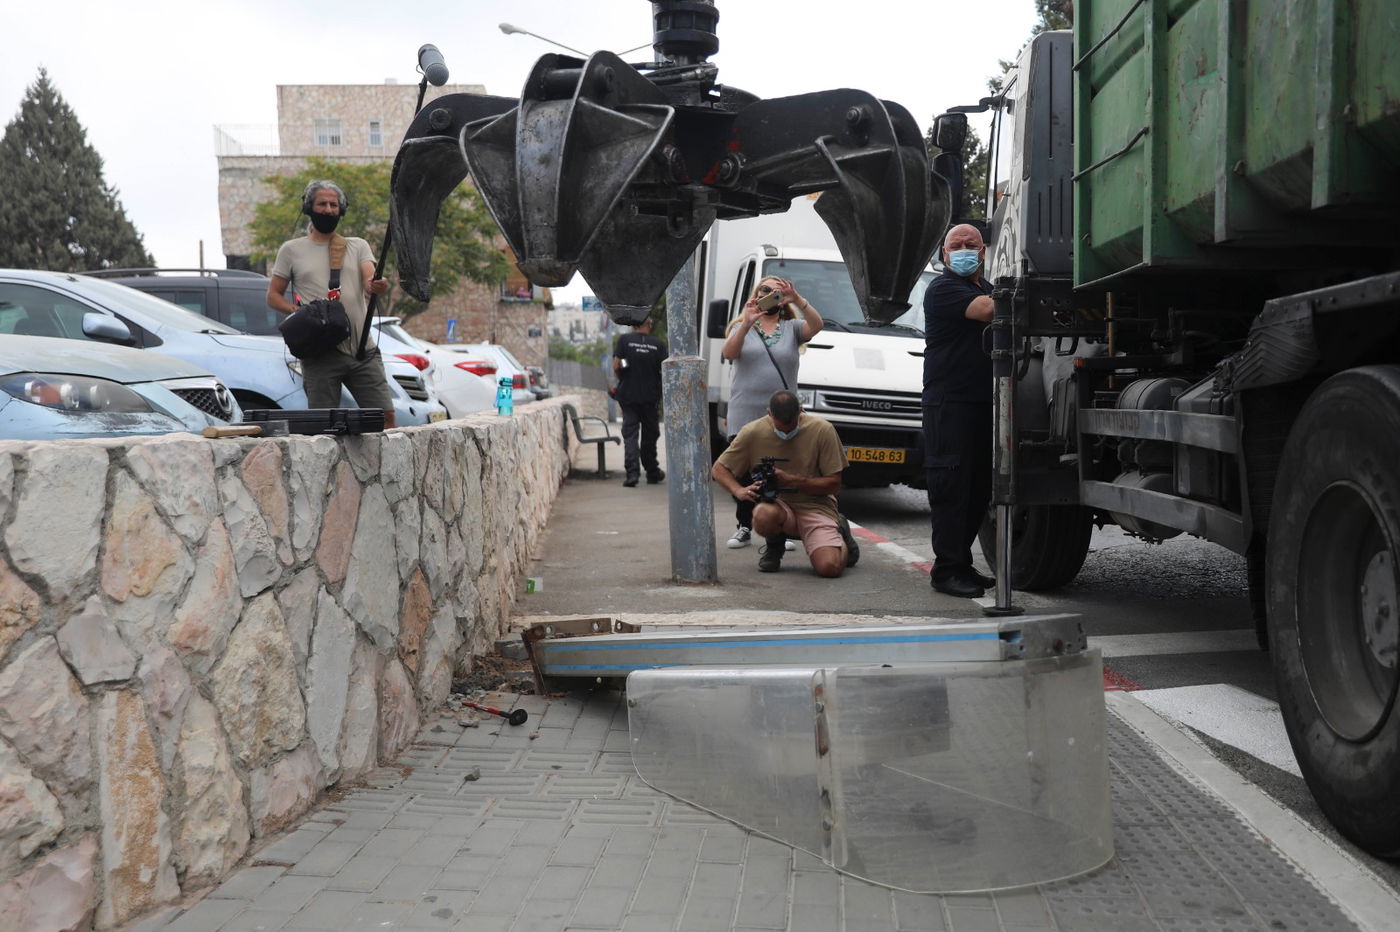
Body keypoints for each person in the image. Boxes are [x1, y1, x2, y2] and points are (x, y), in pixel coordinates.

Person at [266, 180, 395, 427]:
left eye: (334, 204)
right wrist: (302, 313)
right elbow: (273, 296)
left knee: (385, 418)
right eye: (322, 204)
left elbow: (371, 278)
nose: (328, 210)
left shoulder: (357, 245)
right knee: (323, 424)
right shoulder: (291, 250)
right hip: (320, 352)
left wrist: (376, 285)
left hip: (361, 350)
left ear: (342, 209)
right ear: (308, 207)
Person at [719, 275, 823, 549]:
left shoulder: (791, 328)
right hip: (745, 411)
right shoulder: (741, 326)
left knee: (777, 469)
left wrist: (797, 299)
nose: (771, 294)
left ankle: (778, 528)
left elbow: (817, 325)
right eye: (766, 289)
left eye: (778, 292)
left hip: (782, 414)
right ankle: (744, 525)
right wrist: (746, 323)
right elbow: (729, 353)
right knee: (743, 472)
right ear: (756, 293)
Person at [922, 223, 997, 597]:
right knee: (951, 488)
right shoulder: (943, 289)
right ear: (945, 254)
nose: (965, 249)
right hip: (949, 404)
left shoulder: (984, 287)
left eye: (972, 244)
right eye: (957, 244)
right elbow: (987, 312)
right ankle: (946, 570)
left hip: (981, 403)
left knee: (977, 488)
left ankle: (961, 564)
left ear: (983, 251)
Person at [711, 390, 859, 577]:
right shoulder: (753, 432)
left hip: (816, 506)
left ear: (801, 411)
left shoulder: (822, 430)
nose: (786, 433)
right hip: (778, 506)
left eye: (791, 427)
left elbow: (834, 484)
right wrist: (738, 490)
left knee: (830, 568)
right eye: (780, 428)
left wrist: (794, 481)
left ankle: (841, 534)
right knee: (762, 514)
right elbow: (718, 469)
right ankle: (775, 546)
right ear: (769, 414)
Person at [612, 314, 668, 487]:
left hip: (628, 395)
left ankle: (632, 474)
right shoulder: (658, 345)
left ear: (635, 325)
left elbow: (617, 365)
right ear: (649, 325)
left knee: (630, 434)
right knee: (650, 435)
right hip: (650, 397)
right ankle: (652, 472)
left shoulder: (625, 340)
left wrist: (624, 377)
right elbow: (665, 370)